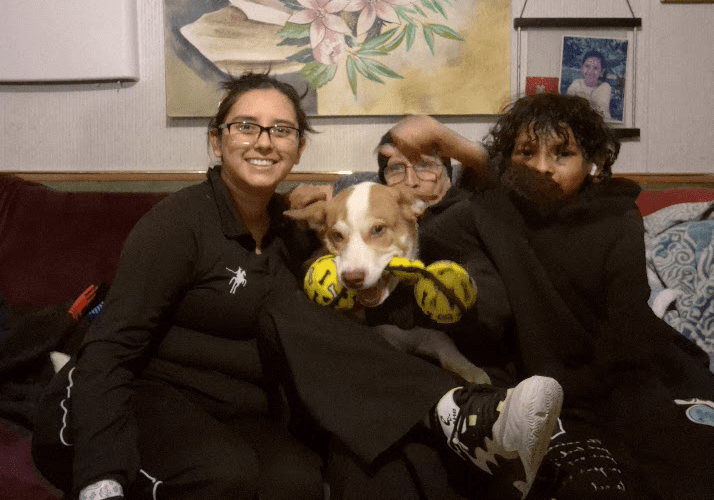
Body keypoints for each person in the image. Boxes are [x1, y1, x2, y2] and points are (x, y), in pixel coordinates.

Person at [33, 73, 563, 500]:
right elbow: (110, 349)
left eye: (282, 130)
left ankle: (461, 416)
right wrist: (99, 474)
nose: (264, 141)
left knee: (296, 482)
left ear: (299, 147)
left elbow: (504, 197)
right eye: (246, 126)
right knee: (226, 472)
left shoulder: (296, 232)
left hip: (241, 410)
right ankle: (454, 413)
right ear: (217, 140)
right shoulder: (177, 225)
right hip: (151, 394)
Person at [388, 94, 714, 498]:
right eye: (527, 153)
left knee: (684, 457)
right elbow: (417, 244)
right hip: (536, 380)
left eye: (563, 153)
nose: (542, 166)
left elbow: (626, 333)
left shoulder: (616, 216)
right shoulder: (487, 210)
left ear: (592, 162)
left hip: (623, 369)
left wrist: (449, 140)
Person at [565, 50, 612, 119]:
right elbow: (567, 104)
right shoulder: (576, 83)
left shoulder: (605, 87)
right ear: (582, 68)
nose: (590, 71)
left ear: (601, 72)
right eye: (587, 66)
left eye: (595, 68)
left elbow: (601, 111)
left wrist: (581, 99)